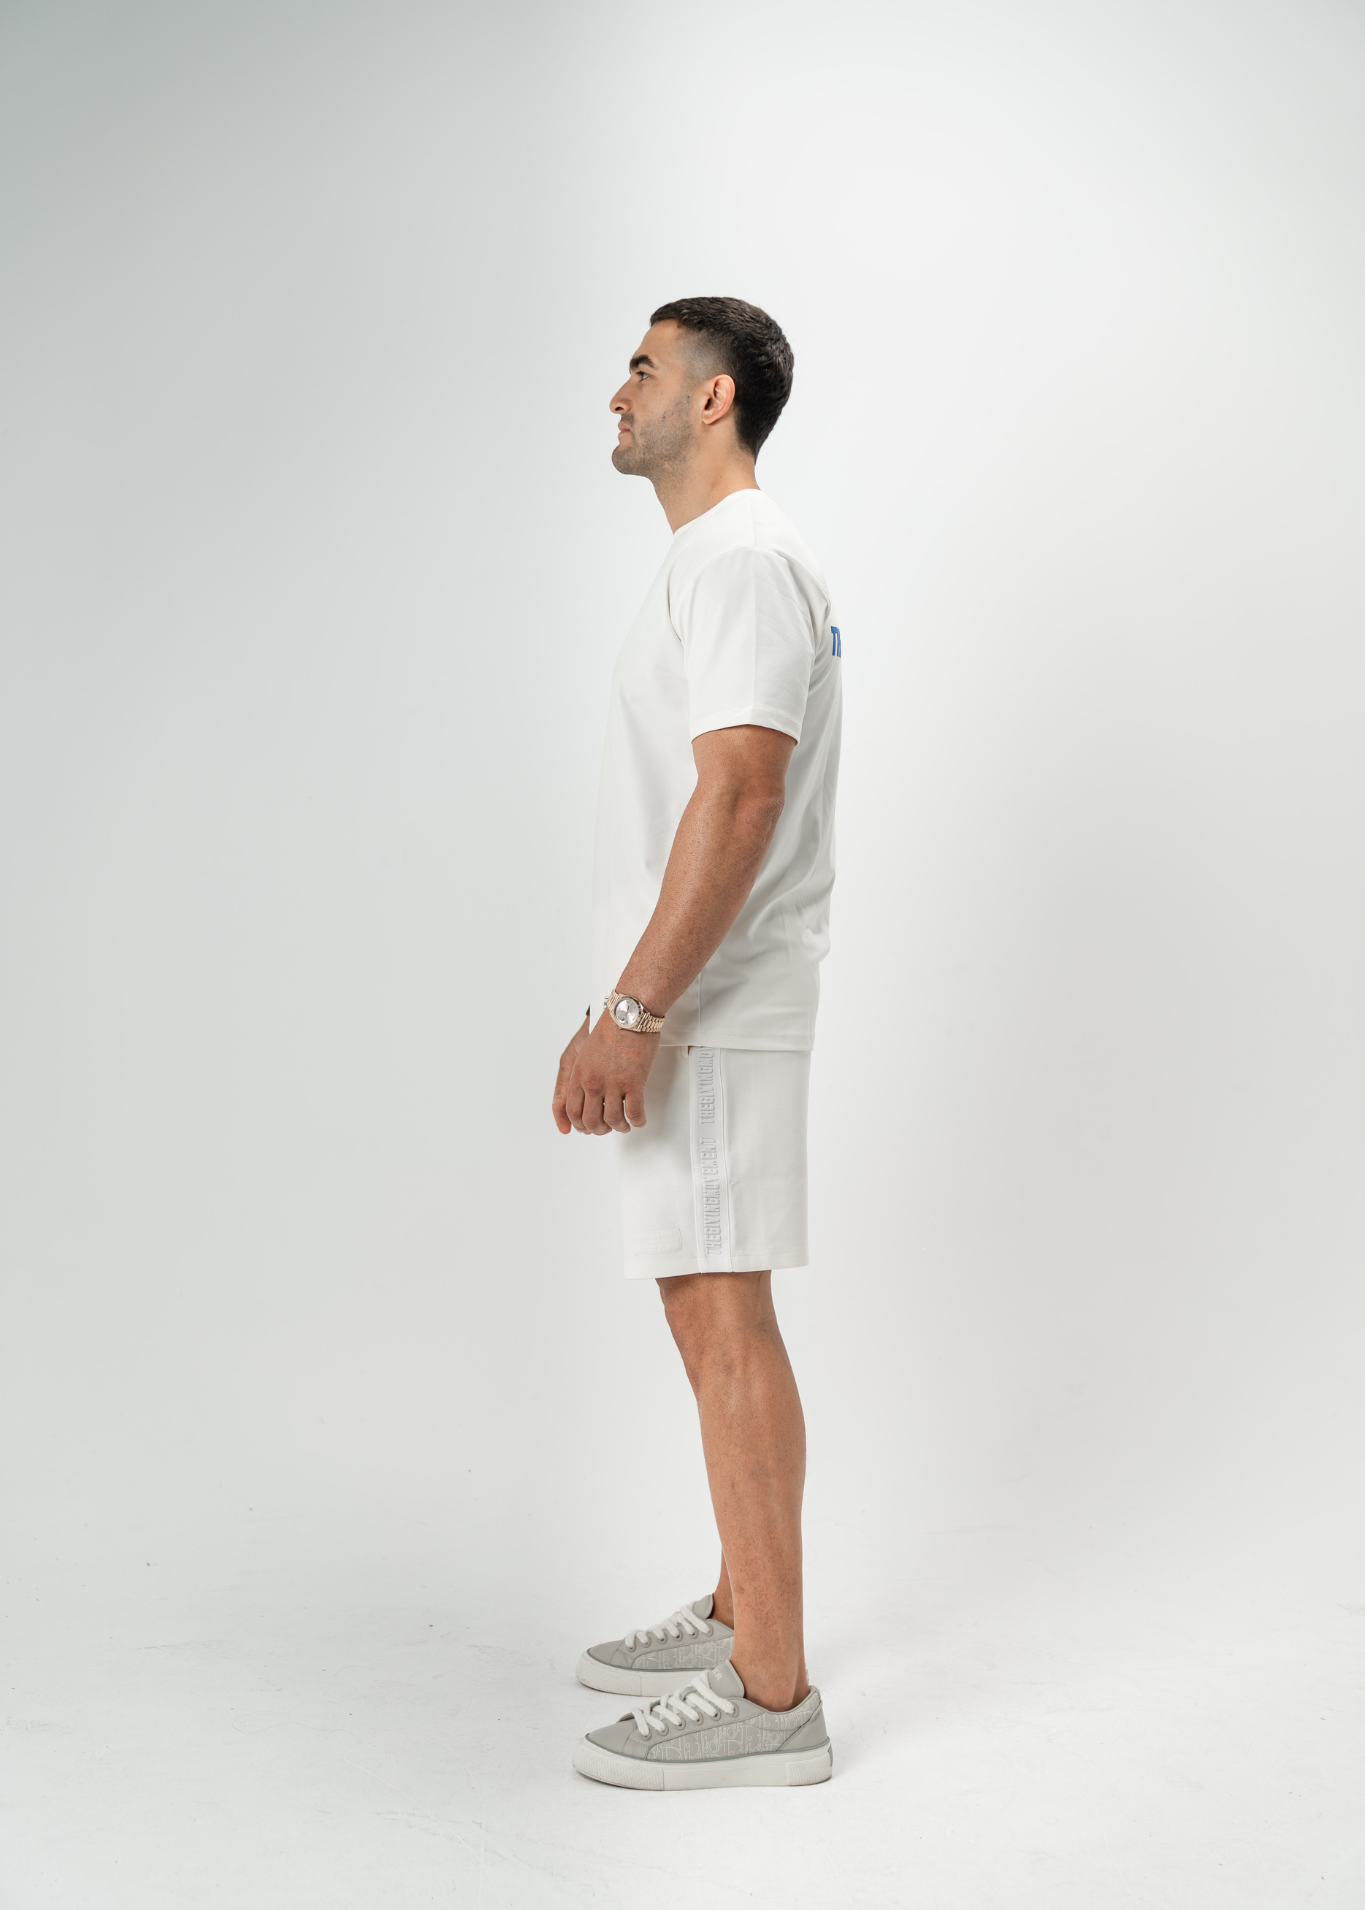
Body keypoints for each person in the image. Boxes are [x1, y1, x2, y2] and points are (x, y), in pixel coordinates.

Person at [552, 297, 842, 1791]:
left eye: (644, 370)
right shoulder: (714, 560)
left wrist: (635, 1011)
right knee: (701, 1300)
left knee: (725, 1312)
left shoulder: (741, 561)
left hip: (709, 1012)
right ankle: (742, 1604)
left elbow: (741, 795)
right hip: (695, 1007)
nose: (619, 394)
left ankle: (772, 1693)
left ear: (713, 400)